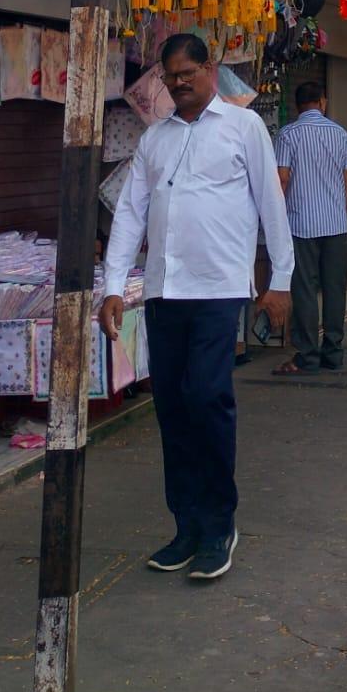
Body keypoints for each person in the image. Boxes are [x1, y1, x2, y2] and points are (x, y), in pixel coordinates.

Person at [101, 33, 293, 583]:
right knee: (173, 408)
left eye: (188, 74)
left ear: (211, 69)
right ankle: (185, 526)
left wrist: (278, 280)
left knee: (207, 397)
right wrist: (114, 284)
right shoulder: (154, 139)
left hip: (218, 289)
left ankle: (218, 525)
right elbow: (131, 215)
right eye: (171, 78)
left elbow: (270, 205)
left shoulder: (243, 127)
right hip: (165, 291)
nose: (180, 85)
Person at [273, 79, 347, 377]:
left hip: (299, 225)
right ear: (323, 102)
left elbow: (282, 179)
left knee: (305, 290)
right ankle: (333, 353)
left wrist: (276, 220)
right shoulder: (340, 134)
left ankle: (307, 356)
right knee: (335, 290)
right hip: (336, 225)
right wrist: (338, 212)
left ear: (297, 106)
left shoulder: (288, 134)